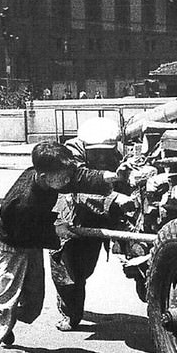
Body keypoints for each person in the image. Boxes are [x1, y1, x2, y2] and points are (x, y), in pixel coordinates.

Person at [0, 141, 136, 353]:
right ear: (44, 176)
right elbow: (26, 233)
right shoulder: (22, 201)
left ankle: (5, 326)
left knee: (33, 305)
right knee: (5, 301)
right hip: (10, 245)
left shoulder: (51, 176)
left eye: (67, 175)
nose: (67, 181)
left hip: (31, 236)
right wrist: (55, 229)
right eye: (62, 177)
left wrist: (112, 177)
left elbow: (80, 177)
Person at [50, 118, 126, 331]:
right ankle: (70, 313)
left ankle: (73, 302)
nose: (102, 157)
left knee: (84, 269)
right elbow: (77, 186)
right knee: (66, 268)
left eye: (106, 152)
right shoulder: (69, 155)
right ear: (85, 146)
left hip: (98, 215)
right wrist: (114, 197)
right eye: (96, 152)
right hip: (68, 215)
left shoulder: (117, 153)